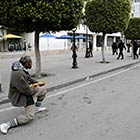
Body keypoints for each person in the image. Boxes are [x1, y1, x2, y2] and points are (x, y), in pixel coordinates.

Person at [0, 55, 47, 134]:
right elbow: (27, 91)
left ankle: (36, 108)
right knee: (29, 116)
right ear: (27, 63)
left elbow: (29, 79)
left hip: (26, 91)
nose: (31, 64)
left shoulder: (21, 68)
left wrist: (37, 83)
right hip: (21, 96)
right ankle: (6, 125)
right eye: (30, 62)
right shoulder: (18, 74)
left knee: (43, 91)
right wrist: (34, 88)